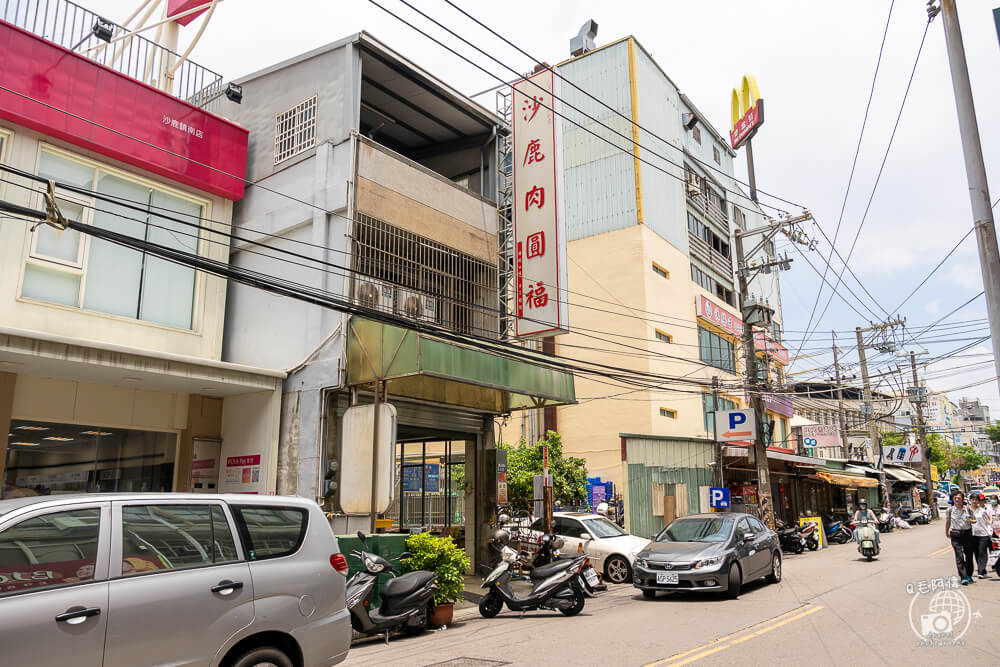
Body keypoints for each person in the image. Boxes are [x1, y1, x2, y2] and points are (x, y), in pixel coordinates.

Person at [945, 490, 975, 584]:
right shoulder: (949, 510)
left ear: (962, 499)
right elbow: (948, 522)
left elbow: (974, 520)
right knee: (959, 556)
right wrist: (946, 531)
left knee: (969, 555)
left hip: (967, 534)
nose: (957, 499)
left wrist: (971, 520)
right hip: (955, 534)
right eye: (955, 498)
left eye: (959, 498)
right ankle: (963, 577)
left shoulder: (968, 509)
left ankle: (969, 574)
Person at [970, 493, 992, 579]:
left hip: (983, 534)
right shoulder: (967, 511)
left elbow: (988, 523)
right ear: (970, 500)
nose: (974, 501)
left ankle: (980, 571)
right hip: (973, 534)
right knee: (976, 553)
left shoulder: (982, 511)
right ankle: (982, 569)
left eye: (976, 500)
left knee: (982, 552)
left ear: (979, 501)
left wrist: (989, 532)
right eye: (973, 499)